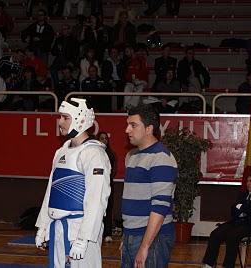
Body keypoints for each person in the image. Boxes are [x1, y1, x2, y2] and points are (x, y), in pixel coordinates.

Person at [35, 98, 111, 268]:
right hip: (59, 229)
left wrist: (84, 238)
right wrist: (43, 226)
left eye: (65, 117)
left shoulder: (94, 154)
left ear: (81, 120)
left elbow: (96, 200)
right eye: (60, 117)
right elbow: (51, 191)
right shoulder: (61, 151)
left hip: (80, 229)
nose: (60, 121)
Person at [121, 104, 178, 268]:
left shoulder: (161, 158)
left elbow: (160, 208)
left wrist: (144, 246)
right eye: (127, 124)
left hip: (152, 239)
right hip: (132, 236)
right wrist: (127, 238)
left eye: (133, 125)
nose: (127, 130)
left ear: (149, 129)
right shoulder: (133, 157)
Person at [201, 171, 251, 268]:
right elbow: (233, 209)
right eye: (247, 181)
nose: (248, 183)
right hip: (238, 223)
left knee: (232, 236)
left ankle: (227, 266)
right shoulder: (244, 194)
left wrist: (241, 207)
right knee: (216, 233)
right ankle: (208, 264)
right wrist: (243, 209)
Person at [97, 132, 116, 243]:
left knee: (108, 209)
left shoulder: (111, 154)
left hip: (108, 184)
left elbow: (112, 171)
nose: (104, 140)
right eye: (101, 138)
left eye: (105, 139)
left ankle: (107, 234)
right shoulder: (93, 153)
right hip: (96, 185)